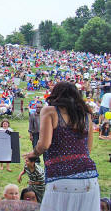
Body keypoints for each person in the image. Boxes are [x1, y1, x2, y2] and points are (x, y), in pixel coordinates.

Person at [25, 82, 100, 211]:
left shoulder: (50, 111)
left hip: (61, 178)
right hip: (90, 177)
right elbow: (88, 148)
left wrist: (33, 153)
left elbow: (44, 144)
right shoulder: (86, 115)